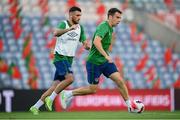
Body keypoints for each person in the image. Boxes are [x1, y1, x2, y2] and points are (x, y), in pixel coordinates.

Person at [60, 8, 134, 112]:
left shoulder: (110, 29)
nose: (119, 20)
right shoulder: (103, 26)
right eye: (117, 17)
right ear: (110, 17)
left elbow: (104, 46)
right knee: (92, 89)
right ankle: (67, 94)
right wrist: (106, 55)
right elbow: (96, 41)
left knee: (120, 80)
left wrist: (110, 45)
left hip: (104, 61)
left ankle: (130, 106)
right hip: (94, 62)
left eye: (120, 18)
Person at [29, 6, 90, 115]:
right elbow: (55, 33)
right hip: (60, 57)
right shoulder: (64, 24)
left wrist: (86, 46)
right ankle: (51, 99)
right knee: (70, 79)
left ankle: (35, 106)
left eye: (80, 15)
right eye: (77, 15)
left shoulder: (80, 28)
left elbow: (84, 41)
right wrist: (69, 29)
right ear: (71, 15)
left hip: (69, 59)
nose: (79, 17)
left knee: (54, 86)